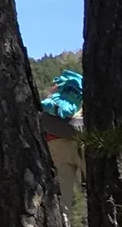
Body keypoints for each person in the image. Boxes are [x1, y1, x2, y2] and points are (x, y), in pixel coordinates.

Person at [40, 71, 85, 199]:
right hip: (78, 147)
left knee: (64, 194)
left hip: (55, 146)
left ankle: (64, 217)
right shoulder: (79, 107)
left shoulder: (49, 107)